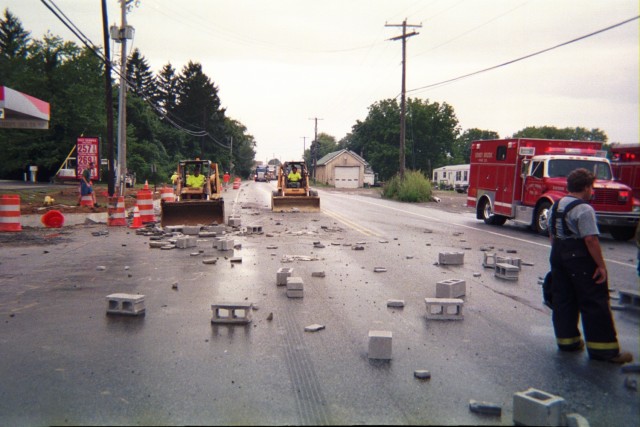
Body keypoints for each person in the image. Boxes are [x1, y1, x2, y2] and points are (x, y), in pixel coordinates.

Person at [548, 168, 632, 364]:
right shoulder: (584, 209)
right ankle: (604, 350)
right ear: (586, 187)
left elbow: (552, 235)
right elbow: (590, 240)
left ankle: (567, 342)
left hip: (558, 253)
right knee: (594, 300)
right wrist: (601, 266)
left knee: (563, 298)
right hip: (579, 257)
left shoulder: (556, 205)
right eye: (591, 187)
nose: (592, 191)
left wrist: (560, 255)